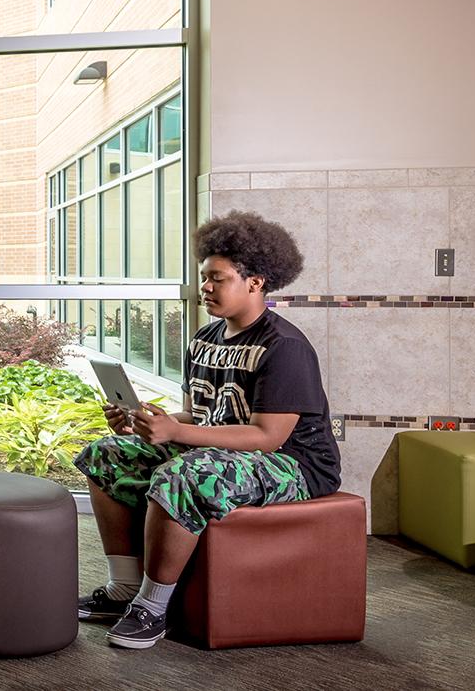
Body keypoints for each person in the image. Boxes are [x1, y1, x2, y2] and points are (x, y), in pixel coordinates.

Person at [73, 211, 340, 650]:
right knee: (106, 454)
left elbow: (266, 437)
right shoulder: (206, 339)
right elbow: (203, 414)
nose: (206, 287)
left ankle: (152, 608)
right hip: (235, 450)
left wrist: (176, 436)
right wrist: (152, 422)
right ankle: (123, 590)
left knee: (185, 474)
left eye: (218, 278)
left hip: (295, 465)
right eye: (204, 277)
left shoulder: (284, 347)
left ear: (255, 282)